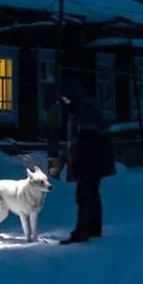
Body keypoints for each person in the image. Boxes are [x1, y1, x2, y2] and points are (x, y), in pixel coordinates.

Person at [58, 78, 117, 244]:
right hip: (93, 159)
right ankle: (93, 228)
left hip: (89, 159)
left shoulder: (84, 109)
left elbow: (87, 137)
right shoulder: (85, 106)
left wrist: (77, 158)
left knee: (85, 195)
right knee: (91, 194)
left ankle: (83, 230)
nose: (65, 101)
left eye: (66, 97)